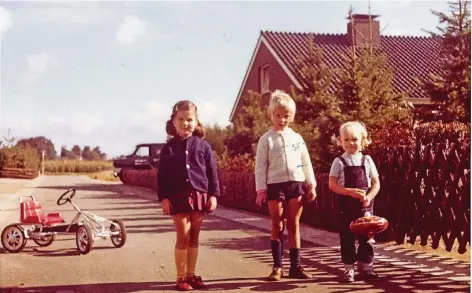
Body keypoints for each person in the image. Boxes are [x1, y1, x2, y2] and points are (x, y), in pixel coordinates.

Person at [255, 90, 317, 281]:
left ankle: (295, 266)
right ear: (271, 115)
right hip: (275, 185)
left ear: (292, 116)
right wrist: (261, 189)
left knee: (294, 224)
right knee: (276, 223)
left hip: (295, 184)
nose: (282, 119)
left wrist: (310, 185)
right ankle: (277, 267)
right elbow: (260, 165)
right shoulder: (266, 139)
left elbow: (305, 162)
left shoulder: (297, 138)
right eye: (278, 115)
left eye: (286, 116)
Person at [158, 100, 219, 291]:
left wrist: (213, 195)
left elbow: (212, 172)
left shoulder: (203, 146)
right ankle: (180, 277)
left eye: (189, 119)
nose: (185, 123)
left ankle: (191, 275)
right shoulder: (168, 148)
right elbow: (162, 176)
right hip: (178, 197)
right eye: (181, 119)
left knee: (194, 236)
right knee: (183, 235)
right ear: (173, 122)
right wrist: (164, 198)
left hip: (199, 195)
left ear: (196, 121)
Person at [328, 121, 380, 282]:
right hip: (346, 207)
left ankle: (367, 267)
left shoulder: (367, 160)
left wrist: (369, 196)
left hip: (365, 207)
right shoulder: (339, 162)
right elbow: (332, 184)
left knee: (367, 238)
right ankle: (349, 269)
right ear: (340, 141)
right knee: (347, 237)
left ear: (363, 140)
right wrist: (349, 192)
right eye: (347, 139)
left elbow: (376, 183)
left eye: (355, 139)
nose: (351, 143)